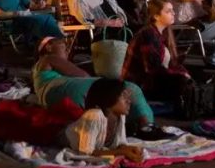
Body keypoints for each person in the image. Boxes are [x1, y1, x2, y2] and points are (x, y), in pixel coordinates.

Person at [33, 37, 166, 140]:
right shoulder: (49, 58)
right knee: (128, 89)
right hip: (62, 89)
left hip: (51, 98)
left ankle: (120, 129)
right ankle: (146, 126)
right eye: (63, 45)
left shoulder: (37, 69)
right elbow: (82, 75)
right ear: (49, 47)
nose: (68, 49)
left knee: (111, 102)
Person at [122, 0, 193, 109]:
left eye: (172, 10)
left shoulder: (162, 34)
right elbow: (152, 68)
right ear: (156, 16)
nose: (173, 13)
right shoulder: (148, 34)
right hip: (140, 85)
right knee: (181, 82)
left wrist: (183, 72)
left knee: (188, 79)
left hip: (153, 80)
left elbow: (172, 64)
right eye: (168, 11)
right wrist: (180, 75)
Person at [65, 79, 145, 162]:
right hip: (63, 138)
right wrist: (122, 152)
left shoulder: (120, 116)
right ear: (109, 97)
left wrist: (130, 149)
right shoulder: (94, 115)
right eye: (124, 96)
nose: (129, 101)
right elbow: (85, 153)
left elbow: (120, 144)